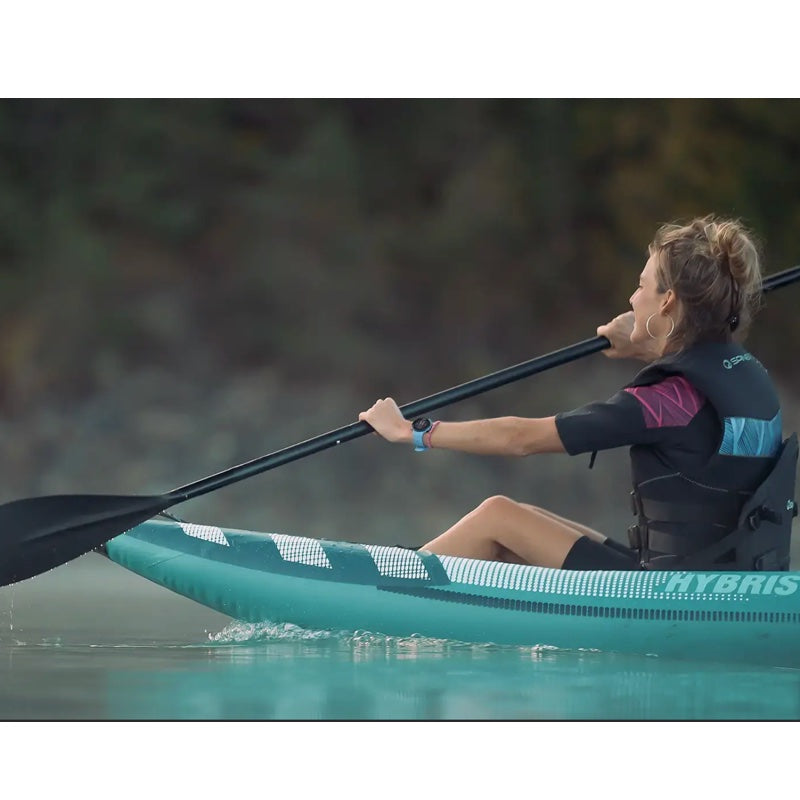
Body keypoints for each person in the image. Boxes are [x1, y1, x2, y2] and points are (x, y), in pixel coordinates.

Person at [359, 215, 798, 571]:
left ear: (667, 302)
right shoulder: (749, 375)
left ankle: (385, 585)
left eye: (642, 286)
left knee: (497, 515)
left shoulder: (669, 396)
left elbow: (521, 439)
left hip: (667, 593)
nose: (632, 297)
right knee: (518, 530)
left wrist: (412, 432)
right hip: (727, 576)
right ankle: (419, 582)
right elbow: (693, 427)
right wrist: (647, 345)